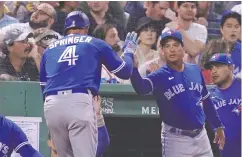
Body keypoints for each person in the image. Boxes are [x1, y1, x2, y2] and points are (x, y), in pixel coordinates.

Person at [40, 11, 137, 157]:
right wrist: (129, 52)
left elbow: (43, 86)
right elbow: (124, 72)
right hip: (79, 101)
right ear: (86, 29)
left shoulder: (49, 49)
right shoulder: (95, 43)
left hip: (52, 105)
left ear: (66, 29)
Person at [130, 30, 225, 157]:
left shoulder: (194, 70)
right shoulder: (159, 75)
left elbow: (207, 100)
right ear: (162, 51)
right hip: (176, 139)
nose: (172, 49)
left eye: (175, 45)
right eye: (167, 46)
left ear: (183, 48)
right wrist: (134, 69)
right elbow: (141, 88)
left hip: (201, 136)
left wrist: (217, 125)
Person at [204, 53, 241, 157]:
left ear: (231, 68)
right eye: (211, 68)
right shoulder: (208, 97)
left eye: (218, 66)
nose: (214, 71)